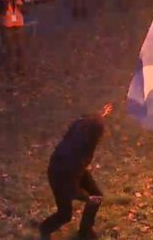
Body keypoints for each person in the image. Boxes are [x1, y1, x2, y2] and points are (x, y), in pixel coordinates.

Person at [39, 103, 115, 240]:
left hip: (68, 170)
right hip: (61, 177)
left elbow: (92, 120)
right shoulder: (79, 152)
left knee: (96, 195)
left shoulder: (81, 125)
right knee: (65, 215)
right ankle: (45, 229)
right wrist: (83, 195)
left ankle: (85, 231)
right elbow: (71, 180)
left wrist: (102, 114)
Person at [0, 0, 27, 76]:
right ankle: (10, 70)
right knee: (10, 50)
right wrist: (6, 1)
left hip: (19, 26)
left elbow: (26, 10)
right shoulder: (1, 0)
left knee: (21, 48)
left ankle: (20, 68)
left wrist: (21, 4)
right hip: (8, 27)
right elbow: (1, 11)